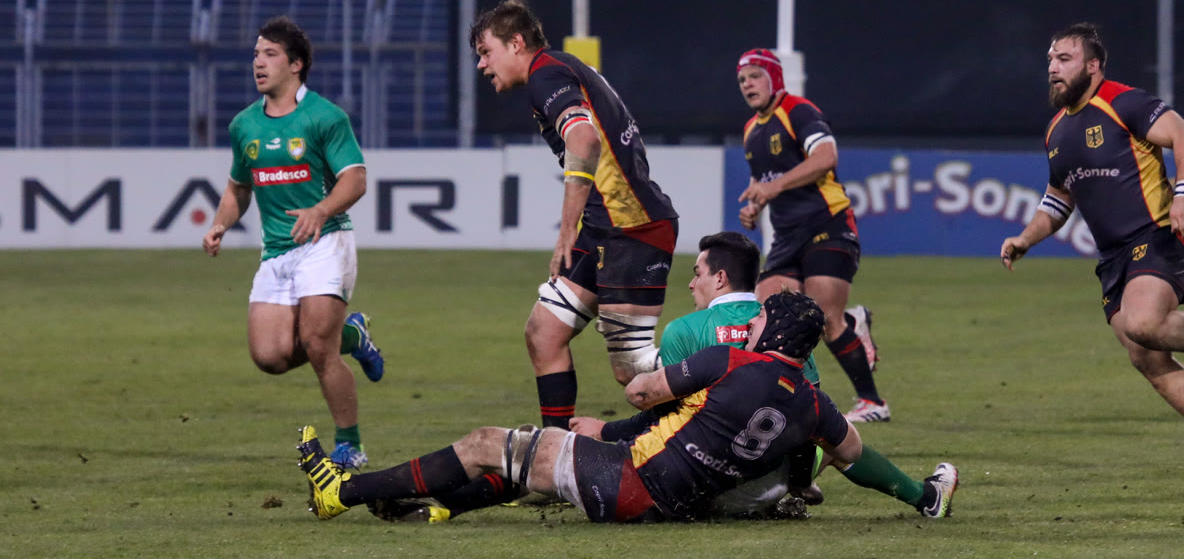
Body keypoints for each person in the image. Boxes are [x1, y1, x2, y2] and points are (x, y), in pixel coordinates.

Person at [296, 291, 862, 524]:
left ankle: (341, 492)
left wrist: (657, 374)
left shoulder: (732, 361)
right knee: (527, 454)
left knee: (487, 442)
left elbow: (640, 394)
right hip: (669, 494)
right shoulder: (812, 403)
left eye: (761, 319)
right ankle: (430, 507)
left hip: (634, 483)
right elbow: (851, 452)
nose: (753, 323)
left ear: (776, 330)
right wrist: (801, 481)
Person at [575, 232, 957, 519]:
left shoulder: (685, 330)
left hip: (686, 481)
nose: (691, 284)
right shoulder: (787, 327)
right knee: (835, 437)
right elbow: (808, 421)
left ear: (719, 278)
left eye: (697, 273)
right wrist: (800, 482)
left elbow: (661, 417)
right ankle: (925, 496)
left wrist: (606, 431)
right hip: (764, 482)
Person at [469, 0, 679, 429]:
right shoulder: (559, 68)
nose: (481, 65)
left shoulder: (545, 74)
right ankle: (555, 453)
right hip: (606, 227)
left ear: (516, 43)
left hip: (631, 228)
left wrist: (566, 229)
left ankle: (741, 376)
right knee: (544, 332)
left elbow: (583, 140)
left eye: (486, 52)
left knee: (633, 369)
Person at [202, 15, 385, 469]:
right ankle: (353, 335)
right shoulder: (244, 125)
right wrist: (221, 223)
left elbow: (356, 180)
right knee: (270, 357)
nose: (258, 63)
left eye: (270, 54)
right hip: (277, 252)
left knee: (317, 345)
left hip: (326, 241)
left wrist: (320, 210)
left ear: (296, 64)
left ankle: (350, 445)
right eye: (255, 55)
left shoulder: (325, 117)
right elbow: (238, 188)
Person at [1001, 23, 1184, 416]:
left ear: (1092, 66)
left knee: (1144, 324)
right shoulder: (1056, 131)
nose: (1053, 67)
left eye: (1064, 59)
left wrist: (1182, 194)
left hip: (1154, 236)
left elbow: (1180, 132)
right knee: (1147, 359)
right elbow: (1058, 199)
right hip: (1112, 260)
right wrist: (1025, 239)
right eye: (1051, 59)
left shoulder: (1123, 102)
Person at [734, 48, 889, 422]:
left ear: (774, 78)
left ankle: (872, 403)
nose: (747, 85)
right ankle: (784, 404)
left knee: (825, 317)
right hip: (786, 237)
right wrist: (755, 206)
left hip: (827, 224)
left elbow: (825, 158)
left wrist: (774, 187)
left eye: (755, 76)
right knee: (768, 316)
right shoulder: (751, 130)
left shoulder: (798, 111)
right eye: (741, 80)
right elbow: (764, 180)